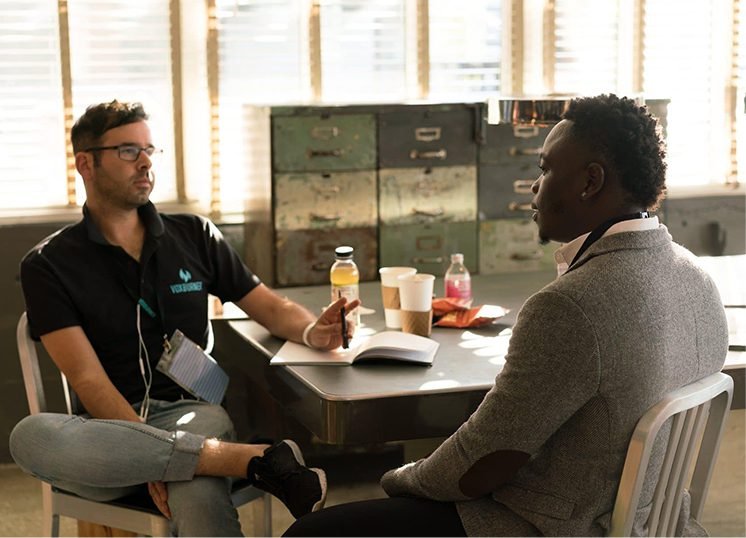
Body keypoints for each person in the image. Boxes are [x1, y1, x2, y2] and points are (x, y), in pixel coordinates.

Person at [283, 94, 729, 537]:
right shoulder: (697, 278)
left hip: (549, 529)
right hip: (654, 526)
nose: (535, 186)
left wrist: (401, 480)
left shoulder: (570, 306)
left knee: (311, 533)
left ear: (590, 182)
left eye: (545, 169)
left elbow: (481, 464)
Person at [9, 100, 358, 537]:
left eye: (149, 150)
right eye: (127, 151)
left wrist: (313, 330)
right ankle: (254, 460)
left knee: (195, 481)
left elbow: (269, 306)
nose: (145, 162)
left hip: (194, 414)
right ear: (86, 164)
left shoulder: (194, 234)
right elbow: (88, 380)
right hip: (105, 435)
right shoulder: (48, 264)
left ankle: (208, 460)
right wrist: (147, 454)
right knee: (31, 436)